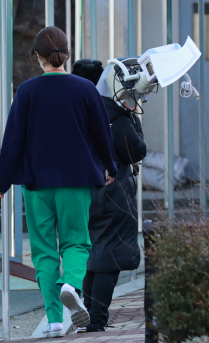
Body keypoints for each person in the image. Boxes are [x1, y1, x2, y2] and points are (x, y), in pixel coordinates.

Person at [0, 27, 118, 338]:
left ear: (36, 56)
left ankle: (54, 321)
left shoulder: (27, 91)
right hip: (76, 181)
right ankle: (71, 285)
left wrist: (2, 183)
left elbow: (13, 140)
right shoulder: (84, 89)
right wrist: (110, 165)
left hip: (36, 184)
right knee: (76, 242)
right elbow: (102, 133)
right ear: (67, 55)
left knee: (44, 251)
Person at [72, 60, 145, 333]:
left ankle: (90, 313)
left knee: (94, 254)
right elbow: (135, 150)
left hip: (83, 191)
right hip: (112, 192)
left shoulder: (76, 110)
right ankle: (96, 318)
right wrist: (132, 118)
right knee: (110, 255)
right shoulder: (110, 112)